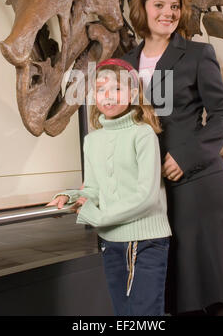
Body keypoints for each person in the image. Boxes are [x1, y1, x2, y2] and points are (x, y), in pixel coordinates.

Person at [121, 0, 223, 316]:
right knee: (178, 297)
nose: (169, 13)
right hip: (154, 194)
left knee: (213, 296)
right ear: (142, 9)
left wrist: (185, 156)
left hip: (198, 187)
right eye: (160, 5)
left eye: (175, 6)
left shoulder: (198, 54)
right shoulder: (125, 63)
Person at [47, 58, 171, 316]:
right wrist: (71, 196)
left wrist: (98, 216)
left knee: (144, 315)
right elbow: (93, 188)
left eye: (116, 89)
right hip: (110, 242)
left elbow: (146, 197)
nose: (108, 96)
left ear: (133, 94)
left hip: (146, 241)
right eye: (101, 90)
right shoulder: (92, 140)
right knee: (123, 314)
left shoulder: (143, 134)